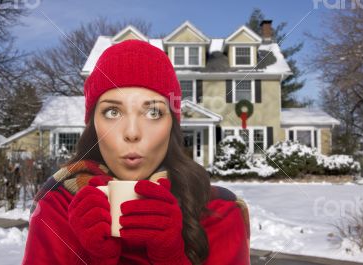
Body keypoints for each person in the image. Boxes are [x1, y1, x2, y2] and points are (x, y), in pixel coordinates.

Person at [22, 39, 251, 265]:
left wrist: (171, 259)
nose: (132, 133)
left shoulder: (219, 211)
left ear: (172, 125)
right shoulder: (57, 205)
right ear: (93, 126)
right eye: (112, 112)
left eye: (153, 113)